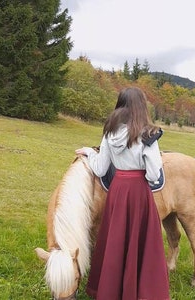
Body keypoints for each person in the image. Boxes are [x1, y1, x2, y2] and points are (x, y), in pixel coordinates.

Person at [75, 87, 170, 300]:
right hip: (138, 192)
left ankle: (110, 289)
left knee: (115, 239)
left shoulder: (110, 132)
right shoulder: (148, 134)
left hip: (118, 189)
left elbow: (100, 169)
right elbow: (155, 174)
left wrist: (90, 152)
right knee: (140, 239)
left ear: (120, 105)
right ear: (141, 107)